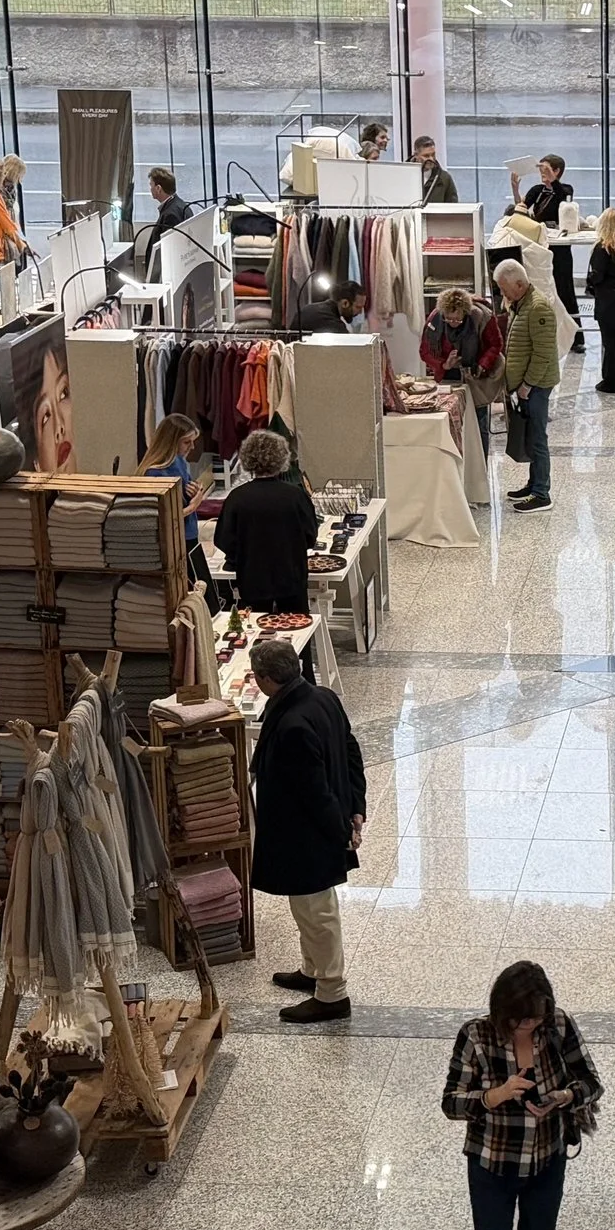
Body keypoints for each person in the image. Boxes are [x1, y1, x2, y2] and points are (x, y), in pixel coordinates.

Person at [441, 960, 606, 1230]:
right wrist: (496, 1095)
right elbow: (451, 1103)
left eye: (535, 1018)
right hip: (492, 1165)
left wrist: (565, 1097)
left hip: (547, 1162)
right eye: (520, 1019)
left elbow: (592, 1083)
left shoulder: (558, 1024)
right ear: (502, 1011)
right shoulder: (476, 1035)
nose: (529, 1025)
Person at [247, 637, 365, 1023]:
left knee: (317, 913)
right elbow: (351, 750)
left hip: (308, 836)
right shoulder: (322, 697)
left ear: (265, 679)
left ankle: (332, 993)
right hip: (319, 829)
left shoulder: (292, 725)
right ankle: (312, 970)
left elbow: (314, 792)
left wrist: (340, 832)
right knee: (306, 907)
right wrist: (357, 807)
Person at [213, 429, 321, 615]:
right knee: (296, 626)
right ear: (281, 459)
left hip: (252, 578)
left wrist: (243, 554)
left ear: (248, 459)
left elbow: (223, 539)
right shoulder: (296, 496)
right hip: (291, 576)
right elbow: (310, 535)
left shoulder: (237, 498)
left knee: (255, 626)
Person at [495, 260, 558, 513]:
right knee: (531, 436)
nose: (503, 293)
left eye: (504, 288)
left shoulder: (538, 308)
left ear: (520, 285)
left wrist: (527, 385)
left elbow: (543, 354)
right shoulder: (520, 305)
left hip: (536, 386)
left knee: (538, 438)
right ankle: (533, 485)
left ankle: (542, 493)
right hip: (526, 385)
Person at [138, 413, 215, 604]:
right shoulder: (154, 474)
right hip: (175, 542)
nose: (192, 447)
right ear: (171, 442)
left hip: (189, 536)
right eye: (187, 442)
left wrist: (195, 492)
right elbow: (158, 519)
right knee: (192, 599)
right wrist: (194, 506)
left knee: (205, 595)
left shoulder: (179, 461)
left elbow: (185, 495)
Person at [512, 154, 583, 354]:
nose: (542, 173)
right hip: (541, 246)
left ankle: (576, 337)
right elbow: (521, 211)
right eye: (541, 169)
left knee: (565, 290)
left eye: (546, 169)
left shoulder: (566, 189)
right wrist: (516, 190)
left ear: (557, 171)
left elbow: (563, 197)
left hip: (560, 249)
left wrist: (552, 179)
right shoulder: (537, 191)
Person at [421, 287, 498, 452]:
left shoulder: (481, 316)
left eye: (458, 319)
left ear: (466, 312)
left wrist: (482, 364)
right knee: (450, 422)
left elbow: (495, 344)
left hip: (476, 377)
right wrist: (444, 364)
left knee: (479, 425)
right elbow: (425, 351)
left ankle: (480, 465)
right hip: (447, 377)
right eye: (448, 319)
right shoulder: (435, 319)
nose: (453, 323)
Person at [584, 207, 615, 394]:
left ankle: (610, 380)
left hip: (606, 299)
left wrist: (590, 282)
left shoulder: (602, 249)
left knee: (609, 341)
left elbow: (597, 276)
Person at [292, 279, 364, 334]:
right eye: (358, 307)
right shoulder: (334, 324)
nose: (361, 312)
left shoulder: (308, 308)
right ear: (345, 303)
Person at [147, 166, 190, 242]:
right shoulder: (181, 205)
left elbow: (169, 245)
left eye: (151, 185)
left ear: (158, 188)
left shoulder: (170, 215)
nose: (150, 189)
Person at [415, 134, 460, 204]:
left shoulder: (444, 178)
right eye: (426, 156)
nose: (431, 159)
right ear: (416, 155)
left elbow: (453, 206)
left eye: (433, 155)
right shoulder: (404, 176)